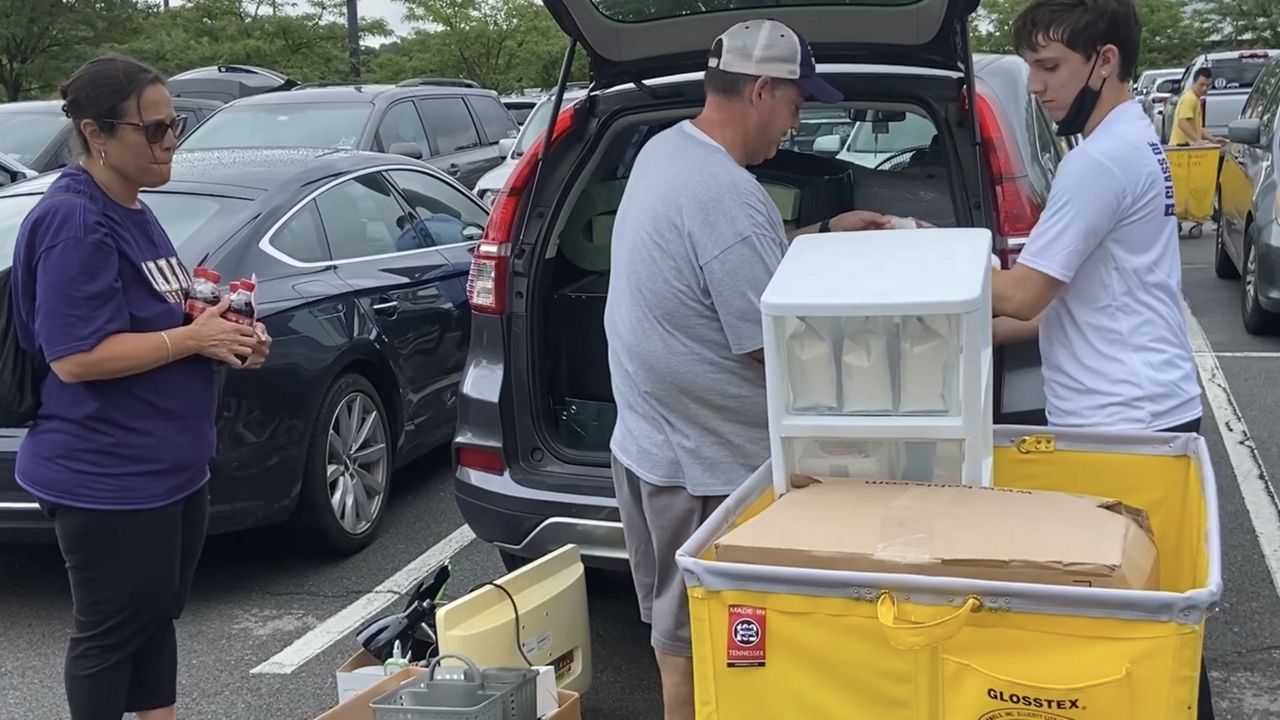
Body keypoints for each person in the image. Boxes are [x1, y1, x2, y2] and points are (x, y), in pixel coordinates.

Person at [603, 19, 893, 720]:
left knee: (676, 639)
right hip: (705, 467)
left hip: (646, 446)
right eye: (796, 106)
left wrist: (823, 233)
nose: (794, 127)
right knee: (699, 650)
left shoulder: (667, 151)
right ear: (761, 90)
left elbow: (730, 261)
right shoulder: (726, 196)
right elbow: (776, 346)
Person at [11, 55, 271, 720]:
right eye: (153, 131)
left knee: (154, 618)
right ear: (98, 133)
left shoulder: (135, 209)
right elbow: (74, 357)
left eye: (175, 125)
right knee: (109, 634)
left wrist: (227, 336)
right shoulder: (75, 219)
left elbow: (167, 317)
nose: (171, 143)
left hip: (170, 468)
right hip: (107, 474)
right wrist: (191, 341)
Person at [993, 0, 1212, 716]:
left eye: (1049, 66)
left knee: (1142, 628)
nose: (1035, 85)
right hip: (1147, 412)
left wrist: (914, 259)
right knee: (1159, 623)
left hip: (1125, 427)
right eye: (1030, 65)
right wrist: (965, 331)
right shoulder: (1131, 139)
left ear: (1105, 60)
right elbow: (1061, 305)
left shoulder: (1102, 161)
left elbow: (1023, 294)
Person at [1169, 68, 1227, 146]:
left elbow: (1197, 129)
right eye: (1201, 84)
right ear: (1193, 82)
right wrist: (1197, 140)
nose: (1205, 88)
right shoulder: (1190, 98)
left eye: (1208, 85)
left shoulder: (1195, 99)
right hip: (1182, 148)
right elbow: (1182, 122)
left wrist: (1213, 139)